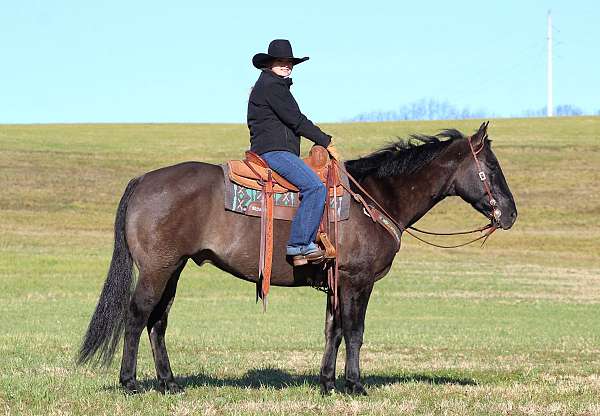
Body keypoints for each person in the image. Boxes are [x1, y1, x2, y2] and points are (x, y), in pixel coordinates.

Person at [247, 39, 340, 265]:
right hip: (274, 151)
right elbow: (296, 121)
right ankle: (298, 244)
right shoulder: (272, 86)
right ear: (269, 64)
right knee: (315, 187)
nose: (286, 66)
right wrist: (325, 141)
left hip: (275, 150)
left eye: (289, 62)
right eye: (281, 62)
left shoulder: (271, 85)